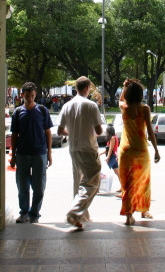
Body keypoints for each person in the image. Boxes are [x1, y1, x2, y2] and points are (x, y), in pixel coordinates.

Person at [57, 76, 104, 230]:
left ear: (76, 88)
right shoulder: (91, 106)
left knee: (79, 182)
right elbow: (99, 130)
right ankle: (75, 212)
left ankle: (80, 217)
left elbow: (59, 131)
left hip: (73, 148)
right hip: (88, 148)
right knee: (93, 183)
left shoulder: (67, 106)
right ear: (87, 88)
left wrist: (72, 133)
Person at [9, 82, 53, 224]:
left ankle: (35, 213)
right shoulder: (17, 112)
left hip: (39, 153)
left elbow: (48, 133)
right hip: (22, 153)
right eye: (27, 96)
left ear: (36, 95)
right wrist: (13, 156)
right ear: (22, 95)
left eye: (33, 96)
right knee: (22, 186)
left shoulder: (42, 110)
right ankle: (24, 212)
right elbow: (14, 135)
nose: (30, 99)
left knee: (39, 186)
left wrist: (49, 153)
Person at [118, 78, 160, 226]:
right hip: (141, 151)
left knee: (128, 184)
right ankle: (143, 209)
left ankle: (129, 216)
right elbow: (150, 131)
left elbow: (121, 99)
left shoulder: (124, 108)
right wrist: (156, 150)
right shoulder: (145, 110)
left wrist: (125, 87)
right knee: (143, 181)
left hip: (126, 152)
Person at [103, 125, 121, 195]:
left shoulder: (113, 138)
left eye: (107, 131)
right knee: (118, 173)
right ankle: (123, 187)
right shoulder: (114, 137)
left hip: (112, 157)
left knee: (105, 171)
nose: (106, 132)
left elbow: (111, 149)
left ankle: (98, 186)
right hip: (114, 156)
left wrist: (108, 157)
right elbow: (107, 149)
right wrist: (99, 154)